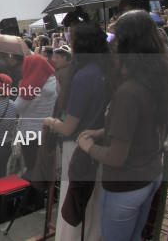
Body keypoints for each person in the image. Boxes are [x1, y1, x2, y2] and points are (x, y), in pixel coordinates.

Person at [77, 10, 168, 240]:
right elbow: (140, 126)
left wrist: (87, 146)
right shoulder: (156, 79)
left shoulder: (128, 93)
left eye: (117, 39)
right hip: (150, 175)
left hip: (126, 185)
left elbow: (116, 156)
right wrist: (103, 131)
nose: (114, 45)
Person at [44, 17, 113, 241]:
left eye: (71, 40)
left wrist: (50, 122)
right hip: (100, 145)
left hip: (78, 147)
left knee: (73, 205)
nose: (69, 43)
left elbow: (68, 127)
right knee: (93, 204)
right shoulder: (105, 71)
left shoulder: (83, 77)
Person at [15, 54, 57, 181]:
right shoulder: (54, 83)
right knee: (41, 166)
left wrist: (20, 89)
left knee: (31, 167)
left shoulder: (30, 87)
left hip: (29, 133)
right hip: (45, 130)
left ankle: (32, 191)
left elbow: (16, 108)